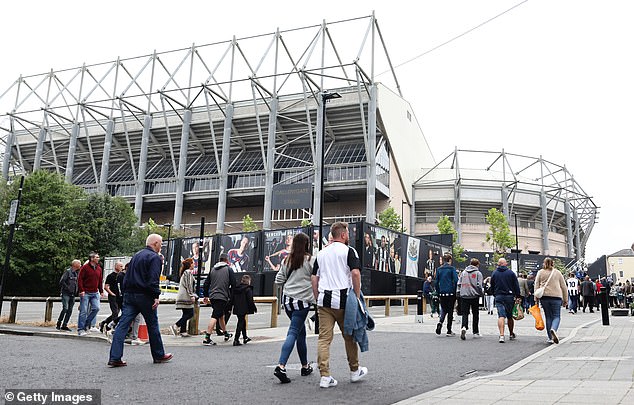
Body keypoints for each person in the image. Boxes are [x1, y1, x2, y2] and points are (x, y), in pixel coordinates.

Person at [311, 221, 367, 389]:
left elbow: (314, 277)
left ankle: (325, 376)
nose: (348, 236)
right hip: (344, 300)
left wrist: (317, 296)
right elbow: (355, 273)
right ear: (343, 235)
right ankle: (354, 371)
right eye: (347, 233)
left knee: (324, 339)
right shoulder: (349, 251)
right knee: (349, 336)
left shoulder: (321, 253)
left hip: (324, 301)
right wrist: (356, 296)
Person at [107, 234, 172, 367]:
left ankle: (115, 357)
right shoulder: (155, 258)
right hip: (145, 295)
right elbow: (153, 279)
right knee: (152, 325)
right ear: (155, 243)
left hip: (130, 294)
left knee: (122, 325)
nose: (161, 246)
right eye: (160, 243)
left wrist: (125, 294)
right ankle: (158, 355)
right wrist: (156, 295)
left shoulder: (136, 255)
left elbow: (126, 275)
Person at [274, 232, 316, 383]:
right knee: (293, 331)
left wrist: (288, 285)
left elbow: (279, 279)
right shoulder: (311, 260)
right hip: (302, 301)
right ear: (307, 244)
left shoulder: (287, 259)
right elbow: (317, 279)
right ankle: (281, 365)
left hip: (287, 301)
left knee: (300, 333)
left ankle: (305, 366)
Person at [202, 253, 236, 345]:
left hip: (213, 296)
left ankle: (226, 333)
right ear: (227, 260)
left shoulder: (212, 269)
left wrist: (205, 295)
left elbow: (206, 283)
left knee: (220, 315)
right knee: (215, 316)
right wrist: (232, 298)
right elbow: (233, 285)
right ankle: (207, 338)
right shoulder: (229, 269)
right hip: (222, 296)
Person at [535, 258, 568, 344]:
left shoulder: (540, 272)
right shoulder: (557, 272)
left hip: (544, 297)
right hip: (556, 297)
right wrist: (565, 299)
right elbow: (564, 287)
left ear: (544, 263)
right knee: (556, 316)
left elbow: (536, 285)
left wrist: (536, 299)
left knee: (548, 316)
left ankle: (550, 337)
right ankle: (554, 329)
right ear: (553, 263)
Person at [490, 258, 521, 343]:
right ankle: (511, 333)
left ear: (499, 264)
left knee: (501, 316)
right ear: (505, 264)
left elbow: (492, 285)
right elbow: (516, 285)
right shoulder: (511, 273)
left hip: (499, 296)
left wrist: (494, 294)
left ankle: (502, 335)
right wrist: (518, 296)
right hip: (509, 297)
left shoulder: (494, 273)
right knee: (510, 316)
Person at [77, 252, 105, 336]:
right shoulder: (85, 268)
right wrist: (81, 290)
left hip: (95, 292)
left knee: (96, 308)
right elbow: (80, 279)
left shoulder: (99, 268)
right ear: (92, 259)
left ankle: (86, 324)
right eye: (97, 257)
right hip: (85, 292)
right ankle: (81, 329)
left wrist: (101, 290)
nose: (98, 258)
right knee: (83, 311)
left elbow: (100, 280)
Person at [171, 258, 197, 337]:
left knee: (185, 313)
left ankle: (183, 331)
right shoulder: (188, 272)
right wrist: (191, 295)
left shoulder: (185, 272)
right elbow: (188, 285)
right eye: (193, 263)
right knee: (190, 313)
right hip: (185, 296)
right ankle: (176, 326)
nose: (194, 265)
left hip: (182, 295)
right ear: (190, 264)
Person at [459, 258, 484, 340]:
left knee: (465, 313)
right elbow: (479, 285)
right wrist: (481, 293)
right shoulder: (478, 273)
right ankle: (475, 332)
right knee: (475, 314)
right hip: (474, 296)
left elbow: (459, 283)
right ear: (477, 265)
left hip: (464, 295)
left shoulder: (464, 273)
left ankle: (464, 327)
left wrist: (460, 292)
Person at [434, 253, 458, 337]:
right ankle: (449, 330)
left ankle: (440, 322)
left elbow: (436, 282)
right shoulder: (452, 269)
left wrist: (438, 291)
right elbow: (455, 280)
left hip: (442, 292)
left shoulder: (439, 269)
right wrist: (455, 291)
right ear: (450, 260)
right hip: (451, 292)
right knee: (450, 311)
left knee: (444, 309)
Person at [230, 274, 257, 346]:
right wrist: (254, 308)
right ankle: (236, 339)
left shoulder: (236, 288)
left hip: (237, 308)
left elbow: (231, 298)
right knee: (240, 322)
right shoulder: (248, 289)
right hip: (244, 308)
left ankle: (245, 337)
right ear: (248, 281)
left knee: (242, 321)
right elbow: (250, 300)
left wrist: (230, 307)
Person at [56, 259, 81, 332]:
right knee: (65, 308)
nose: (80, 265)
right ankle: (59, 323)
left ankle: (65, 324)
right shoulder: (68, 272)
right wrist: (67, 288)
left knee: (70, 310)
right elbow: (62, 281)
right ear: (75, 265)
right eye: (79, 264)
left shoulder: (76, 273)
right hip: (66, 293)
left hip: (73, 294)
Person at [100, 261, 123, 333]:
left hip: (120, 296)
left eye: (122, 266)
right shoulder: (111, 276)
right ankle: (113, 327)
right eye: (120, 266)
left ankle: (104, 322)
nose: (122, 268)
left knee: (117, 312)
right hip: (113, 296)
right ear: (116, 266)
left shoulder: (121, 276)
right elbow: (106, 287)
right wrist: (111, 293)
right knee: (115, 312)